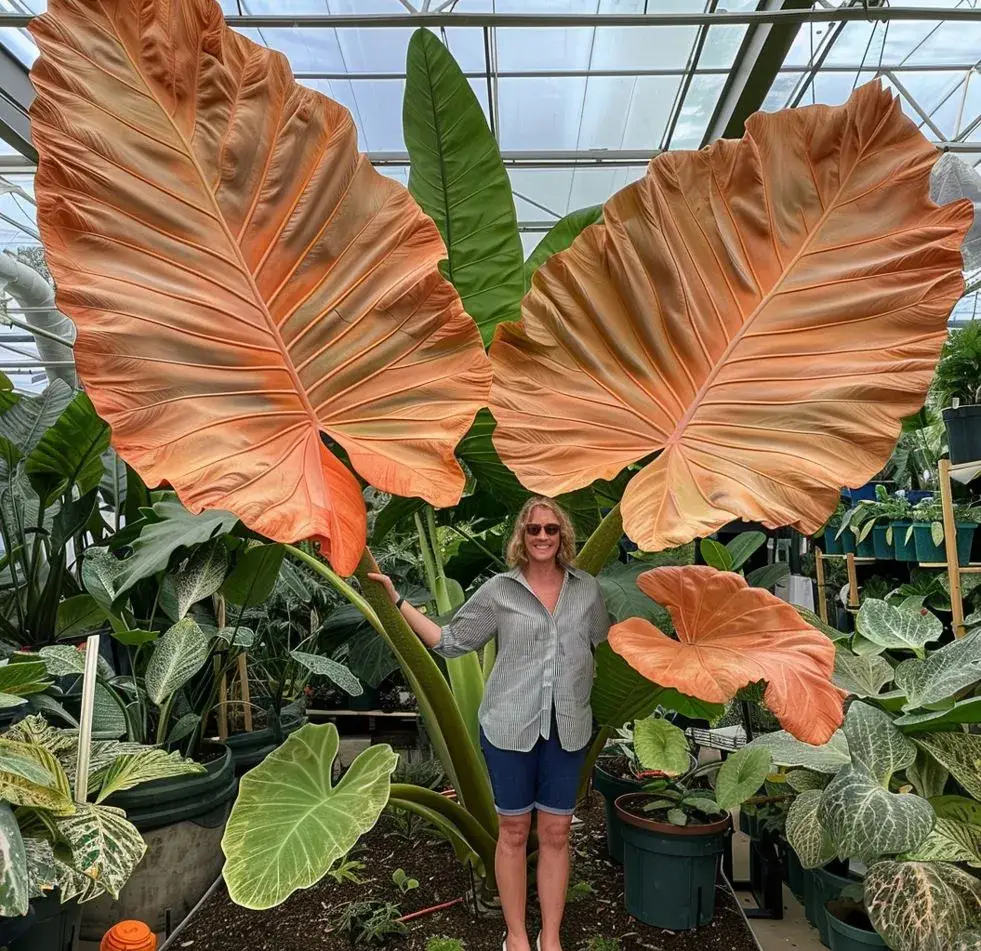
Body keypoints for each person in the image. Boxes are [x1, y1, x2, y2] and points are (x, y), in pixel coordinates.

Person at [369, 496, 610, 951]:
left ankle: (551, 937)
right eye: (533, 529)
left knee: (557, 832)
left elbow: (608, 643)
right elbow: (452, 641)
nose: (542, 536)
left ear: (563, 537)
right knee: (515, 831)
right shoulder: (501, 590)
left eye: (551, 529)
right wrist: (395, 599)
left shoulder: (588, 591)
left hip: (568, 726)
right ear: (522, 536)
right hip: (509, 728)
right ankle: (516, 936)